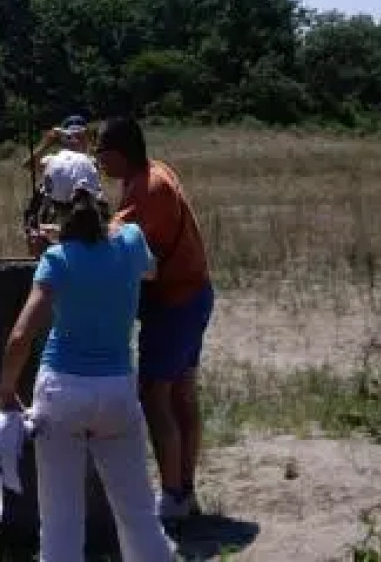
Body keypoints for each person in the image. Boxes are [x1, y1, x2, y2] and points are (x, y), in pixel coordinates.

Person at [0, 179, 179, 562]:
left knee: (61, 521)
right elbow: (148, 271)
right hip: (117, 389)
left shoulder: (57, 260)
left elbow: (19, 336)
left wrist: (6, 390)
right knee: (138, 514)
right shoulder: (130, 241)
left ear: (55, 208)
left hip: (61, 390)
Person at [96, 115, 214, 521]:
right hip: (190, 294)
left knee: (156, 395)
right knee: (181, 393)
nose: (99, 164)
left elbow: (111, 241)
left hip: (176, 301)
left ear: (119, 153)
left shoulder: (150, 189)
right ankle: (185, 491)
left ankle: (173, 494)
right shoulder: (149, 175)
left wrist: (60, 238)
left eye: (102, 154)